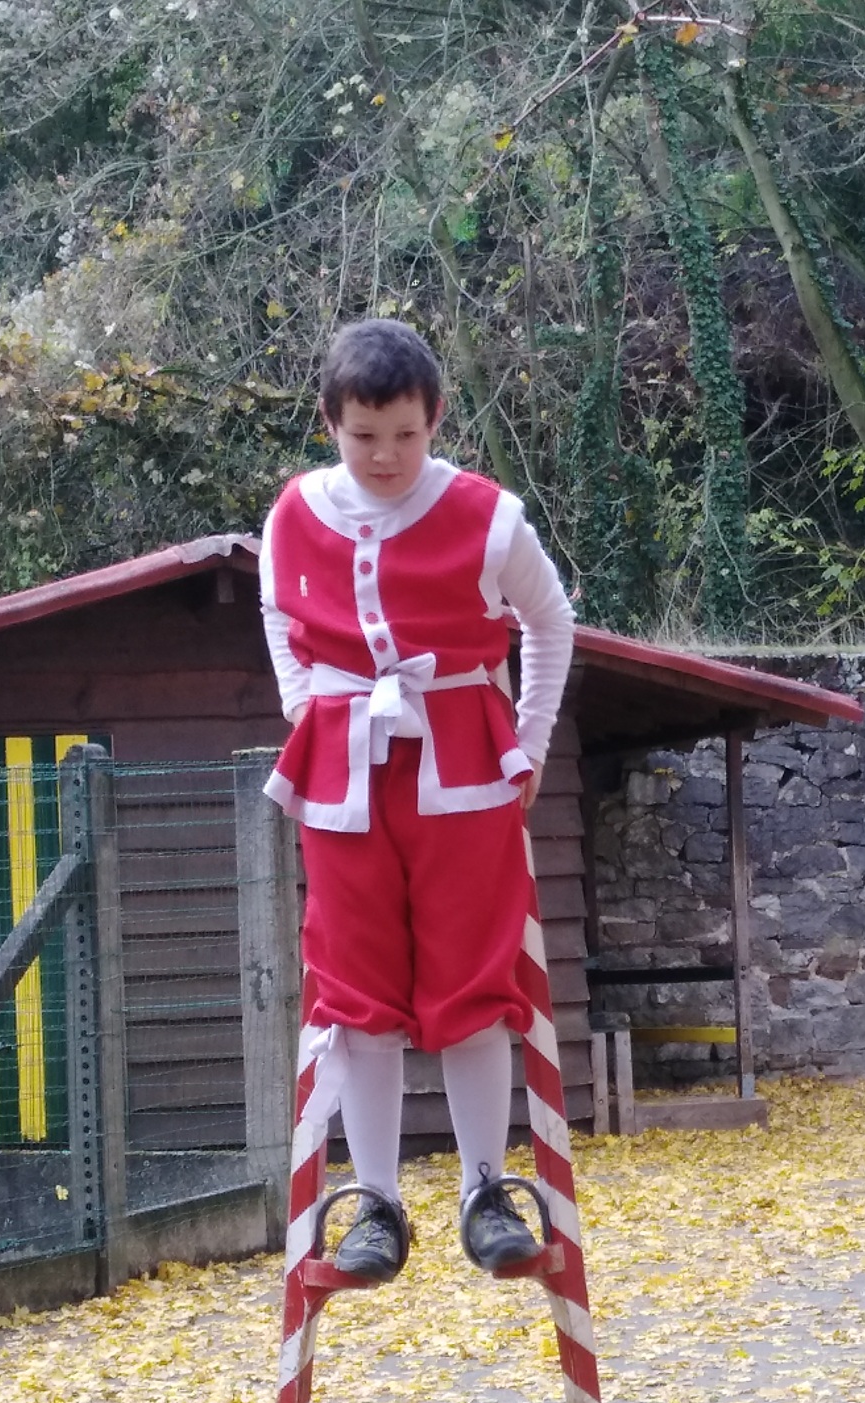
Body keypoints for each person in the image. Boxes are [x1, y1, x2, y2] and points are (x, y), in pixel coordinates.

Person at [260, 319, 575, 1280]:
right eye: (365, 436)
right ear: (332, 425)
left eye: (404, 433)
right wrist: (305, 704)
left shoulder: (490, 516)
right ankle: (377, 1203)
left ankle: (486, 1187)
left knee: (473, 982)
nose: (387, 455)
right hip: (343, 774)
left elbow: (551, 623)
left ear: (434, 418)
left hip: (466, 772)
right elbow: (281, 613)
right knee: (357, 996)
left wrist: (525, 746)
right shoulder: (293, 514)